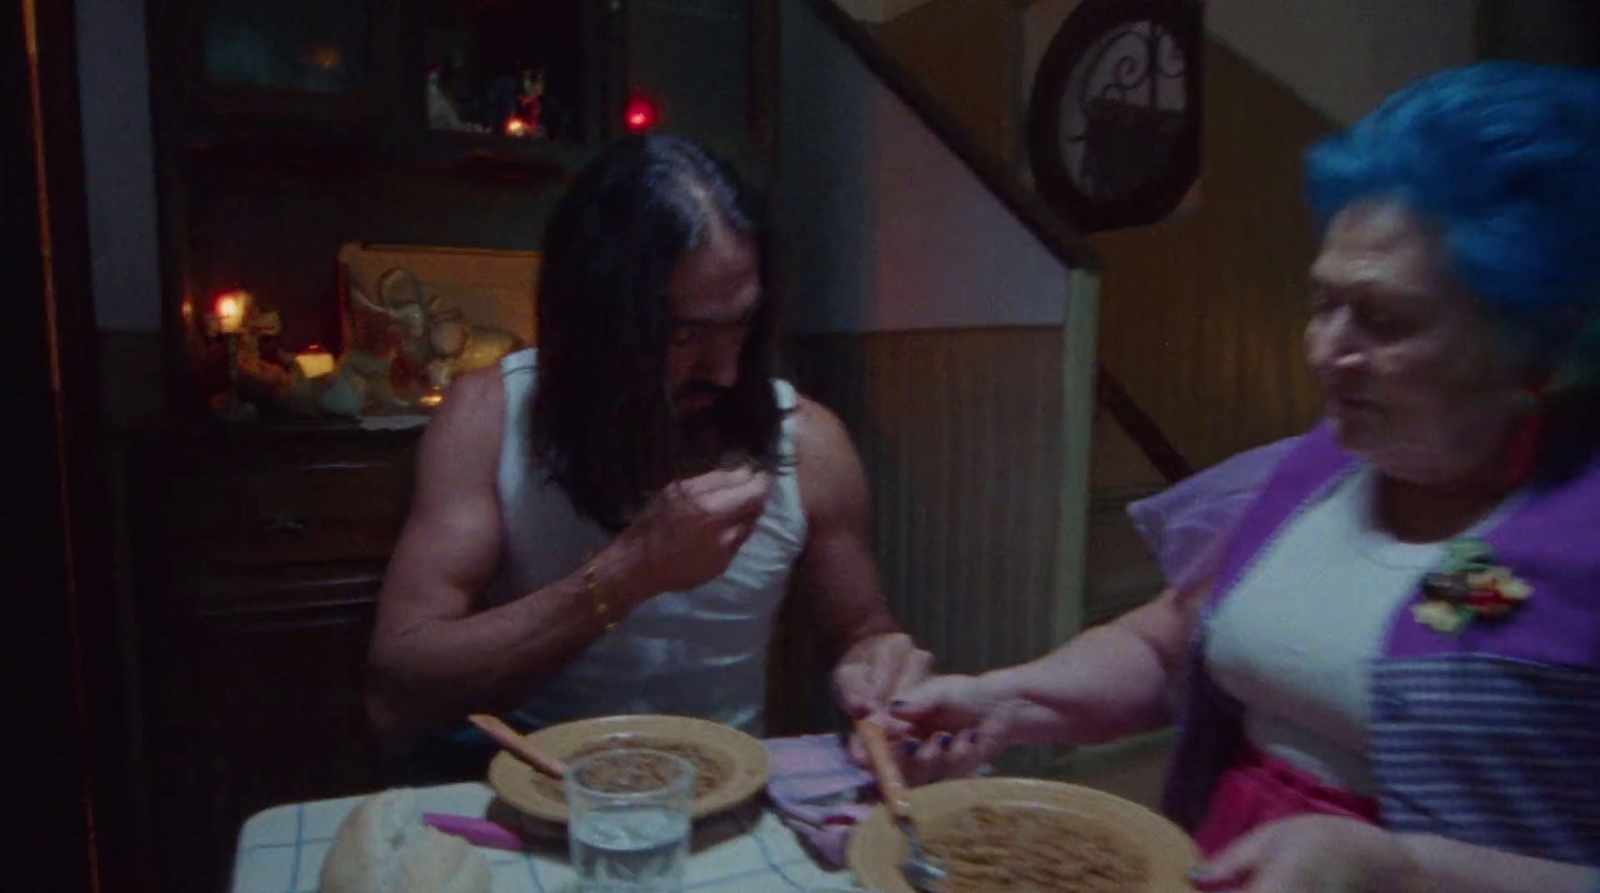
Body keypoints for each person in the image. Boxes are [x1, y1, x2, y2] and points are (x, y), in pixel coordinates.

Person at [887, 63, 1600, 893]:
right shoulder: (1322, 465)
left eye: (1385, 319)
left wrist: (1408, 870)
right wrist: (1009, 700)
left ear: (1542, 342)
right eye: (1321, 303)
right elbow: (1166, 651)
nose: (1324, 350)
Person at [365, 134, 930, 748]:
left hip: (727, 789)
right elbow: (398, 690)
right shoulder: (489, 415)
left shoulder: (811, 441)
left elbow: (862, 627)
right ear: (592, 322)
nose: (726, 371)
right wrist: (630, 574)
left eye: (741, 324)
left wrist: (878, 662)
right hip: (542, 786)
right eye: (683, 334)